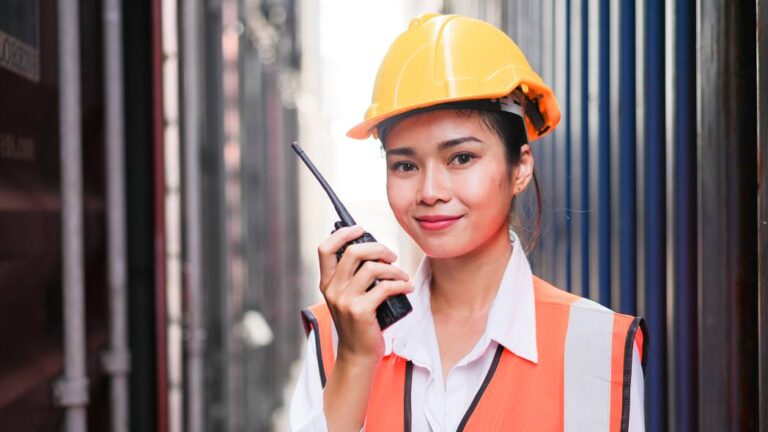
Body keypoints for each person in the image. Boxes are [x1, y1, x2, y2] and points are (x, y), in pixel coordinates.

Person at [290, 13, 646, 432]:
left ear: (520, 168)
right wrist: (355, 360)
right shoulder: (338, 335)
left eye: (462, 158)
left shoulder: (595, 345)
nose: (430, 191)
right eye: (405, 165)